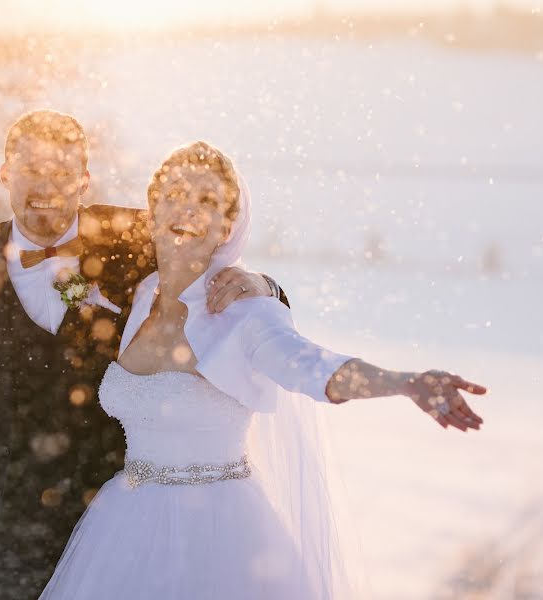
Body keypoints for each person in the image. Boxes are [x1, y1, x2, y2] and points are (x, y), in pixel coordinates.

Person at [38, 141, 486, 599]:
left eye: (207, 202)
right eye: (176, 194)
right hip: (124, 525)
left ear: (226, 227)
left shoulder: (243, 312)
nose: (189, 210)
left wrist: (404, 383)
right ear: (151, 213)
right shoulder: (137, 291)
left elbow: (312, 366)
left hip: (221, 534)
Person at [0, 112, 291, 598]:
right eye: (31, 169)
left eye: (63, 172)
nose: (47, 185)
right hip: (1, 517)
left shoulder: (134, 238)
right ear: (5, 172)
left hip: (107, 513)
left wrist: (266, 286)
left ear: (85, 180)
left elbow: (215, 259)